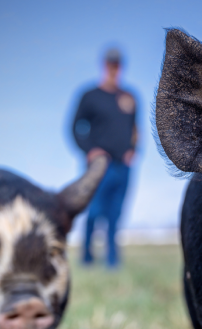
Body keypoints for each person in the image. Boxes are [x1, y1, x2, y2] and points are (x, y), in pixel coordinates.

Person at [72, 47, 138, 268]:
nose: (114, 69)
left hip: (124, 166)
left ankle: (112, 262)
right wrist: (90, 150)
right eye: (110, 64)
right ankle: (88, 258)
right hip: (100, 166)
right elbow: (75, 127)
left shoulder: (129, 97)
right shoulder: (90, 96)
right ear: (104, 65)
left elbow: (135, 129)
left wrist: (133, 150)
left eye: (117, 64)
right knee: (95, 212)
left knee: (115, 215)